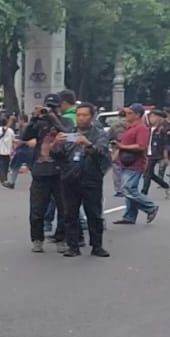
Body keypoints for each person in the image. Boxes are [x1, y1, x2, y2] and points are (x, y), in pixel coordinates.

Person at [57, 103, 111, 257]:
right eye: (78, 115)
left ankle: (97, 245)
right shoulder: (69, 133)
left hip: (91, 178)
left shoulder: (99, 134)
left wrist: (87, 144)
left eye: (84, 115)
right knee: (70, 214)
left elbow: (101, 152)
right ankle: (73, 246)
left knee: (94, 213)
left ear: (92, 117)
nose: (81, 118)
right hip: (70, 178)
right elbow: (58, 155)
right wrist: (56, 143)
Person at [20, 95, 68, 252]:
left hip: (60, 170)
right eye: (48, 107)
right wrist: (34, 119)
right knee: (37, 209)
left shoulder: (65, 121)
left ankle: (61, 238)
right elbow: (24, 136)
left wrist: (53, 118)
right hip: (40, 171)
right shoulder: (39, 123)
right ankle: (37, 239)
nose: (49, 110)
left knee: (64, 208)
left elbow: (67, 134)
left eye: (53, 107)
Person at [113, 104, 160, 226]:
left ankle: (150, 207)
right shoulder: (130, 127)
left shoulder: (141, 128)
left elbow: (141, 146)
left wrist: (122, 146)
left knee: (127, 188)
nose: (126, 116)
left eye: (129, 113)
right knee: (130, 189)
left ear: (137, 115)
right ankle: (130, 216)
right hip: (126, 162)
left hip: (135, 163)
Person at [141, 109, 170, 198]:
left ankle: (144, 193)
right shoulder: (149, 128)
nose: (151, 118)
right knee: (150, 174)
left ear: (159, 118)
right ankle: (166, 186)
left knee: (147, 173)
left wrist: (165, 157)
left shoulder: (161, 130)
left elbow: (165, 144)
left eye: (153, 117)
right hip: (148, 153)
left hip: (156, 154)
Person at [0, 114, 17, 188]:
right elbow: (13, 140)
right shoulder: (10, 131)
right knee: (5, 165)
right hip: (7, 151)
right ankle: (5, 178)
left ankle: (3, 179)